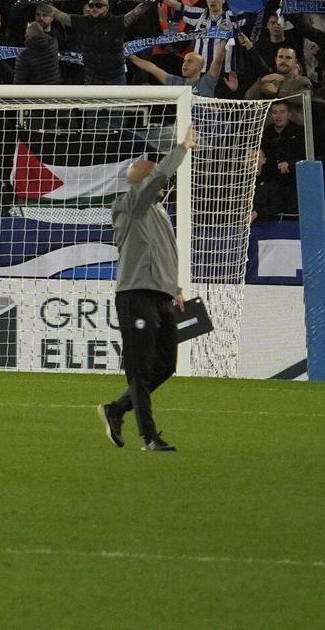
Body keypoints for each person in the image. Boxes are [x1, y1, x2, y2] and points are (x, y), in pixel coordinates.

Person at [100, 127, 196, 453]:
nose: (162, 181)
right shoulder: (127, 206)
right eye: (155, 175)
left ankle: (116, 409)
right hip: (135, 296)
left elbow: (166, 253)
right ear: (142, 180)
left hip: (162, 295)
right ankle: (149, 437)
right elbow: (155, 179)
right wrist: (181, 150)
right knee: (140, 370)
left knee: (166, 365)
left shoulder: (160, 215)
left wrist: (177, 288)